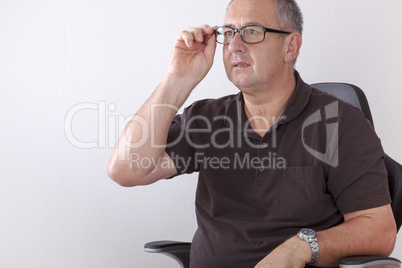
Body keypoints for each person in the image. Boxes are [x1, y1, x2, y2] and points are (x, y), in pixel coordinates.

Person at [107, 0, 397, 267]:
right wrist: (177, 79)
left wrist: (302, 246)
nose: (235, 44)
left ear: (290, 47)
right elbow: (125, 170)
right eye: (229, 32)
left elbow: (378, 229)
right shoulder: (206, 119)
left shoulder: (340, 123)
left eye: (252, 31)